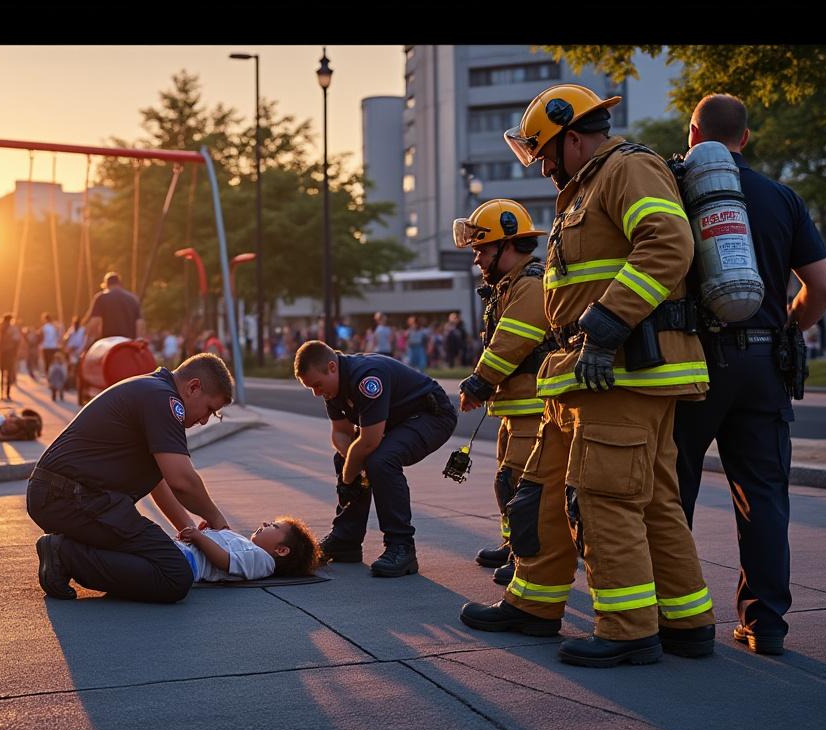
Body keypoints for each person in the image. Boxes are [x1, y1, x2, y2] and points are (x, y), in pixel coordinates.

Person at [461, 83, 716, 668]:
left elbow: (668, 244)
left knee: (606, 501)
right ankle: (546, 604)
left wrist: (606, 323)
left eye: (545, 153)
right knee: (553, 493)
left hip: (620, 372)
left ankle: (629, 631)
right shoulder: (588, 187)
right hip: (584, 375)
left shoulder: (627, 169)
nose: (544, 166)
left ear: (571, 137)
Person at [673, 94, 826, 656]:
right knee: (762, 496)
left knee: (673, 491)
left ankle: (677, 613)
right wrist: (787, 327)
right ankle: (764, 624)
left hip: (692, 363)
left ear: (693, 135)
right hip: (765, 363)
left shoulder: (673, 189)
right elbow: (822, 288)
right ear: (745, 137)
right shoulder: (781, 197)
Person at [27, 353, 235, 603]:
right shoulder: (165, 400)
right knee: (174, 574)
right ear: (193, 387)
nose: (204, 420)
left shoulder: (154, 390)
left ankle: (67, 552)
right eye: (209, 410)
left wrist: (187, 529)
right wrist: (216, 519)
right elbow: (182, 480)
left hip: (65, 495)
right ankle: (64, 555)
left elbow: (160, 482)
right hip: (72, 497)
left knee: (159, 557)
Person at [293, 339, 458, 578]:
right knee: (347, 458)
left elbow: (369, 442)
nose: (317, 393)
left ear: (332, 367)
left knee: (380, 460)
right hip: (395, 421)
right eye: (311, 388)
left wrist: (348, 480)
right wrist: (350, 470)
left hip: (431, 415)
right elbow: (340, 434)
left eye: (317, 385)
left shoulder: (367, 378)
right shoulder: (331, 387)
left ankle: (402, 547)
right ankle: (346, 540)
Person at [452, 200, 550, 587]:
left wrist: (479, 381)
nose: (477, 258)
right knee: (507, 482)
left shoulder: (530, 285)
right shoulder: (510, 286)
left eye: (482, 248)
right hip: (517, 406)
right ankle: (513, 545)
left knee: (519, 484)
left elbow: (511, 342)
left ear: (507, 244)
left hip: (534, 406)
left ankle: (528, 560)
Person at [175, 517, 321, 583]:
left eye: (273, 526)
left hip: (186, 562)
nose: (265, 523)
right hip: (183, 554)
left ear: (281, 550)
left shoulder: (263, 561)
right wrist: (207, 532)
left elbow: (224, 561)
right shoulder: (249, 547)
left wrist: (200, 538)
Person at [84, 271, 143, 346]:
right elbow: (140, 323)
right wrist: (138, 341)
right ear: (119, 284)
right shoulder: (133, 299)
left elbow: (94, 322)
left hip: (109, 344)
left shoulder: (101, 298)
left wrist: (87, 340)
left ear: (106, 285)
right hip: (128, 344)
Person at [0, 314, 20, 400]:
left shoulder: (1, 328)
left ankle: (3, 393)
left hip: (4, 352)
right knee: (8, 373)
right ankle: (6, 393)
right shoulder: (12, 329)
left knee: (3, 373)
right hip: (8, 352)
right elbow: (16, 341)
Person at [62, 317, 86, 390]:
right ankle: (69, 384)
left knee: (77, 369)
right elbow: (65, 338)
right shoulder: (71, 330)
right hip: (71, 352)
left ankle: (75, 384)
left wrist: (80, 350)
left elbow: (84, 342)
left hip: (79, 352)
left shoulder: (83, 330)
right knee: (70, 368)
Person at [39, 312, 61, 379]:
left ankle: (48, 376)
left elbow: (41, 337)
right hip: (54, 347)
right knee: (53, 362)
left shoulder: (44, 327)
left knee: (47, 362)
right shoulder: (55, 326)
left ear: (45, 319)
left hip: (47, 347)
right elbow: (59, 336)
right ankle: (53, 375)